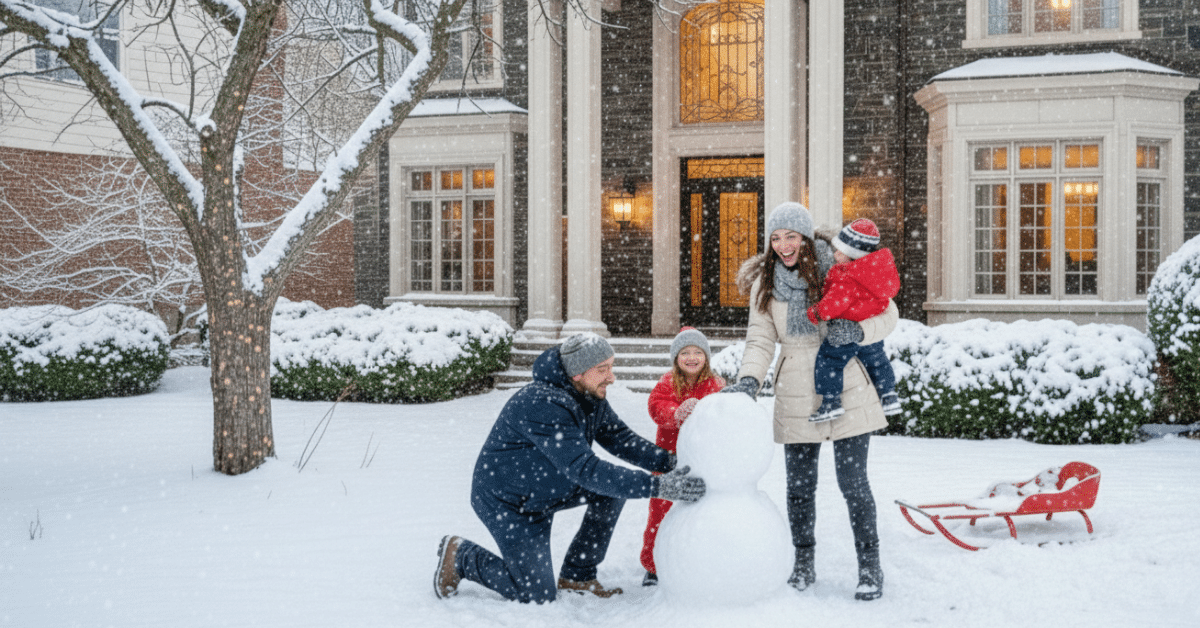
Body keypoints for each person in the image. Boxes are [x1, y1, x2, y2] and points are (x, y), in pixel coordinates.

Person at [433, 333, 707, 604]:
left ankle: (578, 575)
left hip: (549, 487)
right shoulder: (543, 404)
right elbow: (586, 470)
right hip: (509, 502)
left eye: (611, 367)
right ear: (577, 373)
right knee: (534, 595)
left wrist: (673, 462)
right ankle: (462, 556)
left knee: (610, 491)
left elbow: (620, 439)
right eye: (603, 370)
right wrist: (657, 486)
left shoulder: (589, 396)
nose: (611, 377)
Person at [721, 202, 897, 601]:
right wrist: (749, 379)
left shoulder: (841, 267)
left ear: (806, 237)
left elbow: (887, 314)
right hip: (797, 391)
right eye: (777, 238)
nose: (784, 245)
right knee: (800, 488)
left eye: (792, 236)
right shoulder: (764, 285)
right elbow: (760, 338)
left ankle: (870, 567)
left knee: (854, 485)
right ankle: (803, 562)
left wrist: (856, 331)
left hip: (847, 384)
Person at [639, 327, 726, 587]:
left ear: (706, 357)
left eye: (697, 352)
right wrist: (676, 413)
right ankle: (653, 564)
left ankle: (698, 558)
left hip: (701, 458)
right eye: (685, 352)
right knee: (661, 509)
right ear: (676, 358)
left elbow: (722, 413)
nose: (691, 357)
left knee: (701, 509)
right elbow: (657, 406)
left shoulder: (715, 384)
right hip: (668, 457)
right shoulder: (667, 382)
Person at [804, 218, 903, 422]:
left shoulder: (846, 276)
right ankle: (889, 395)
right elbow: (884, 302)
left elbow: (834, 303)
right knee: (878, 361)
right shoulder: (875, 275)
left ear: (851, 255)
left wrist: (816, 313)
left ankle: (831, 403)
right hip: (870, 334)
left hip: (843, 330)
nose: (834, 255)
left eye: (839, 251)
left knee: (829, 361)